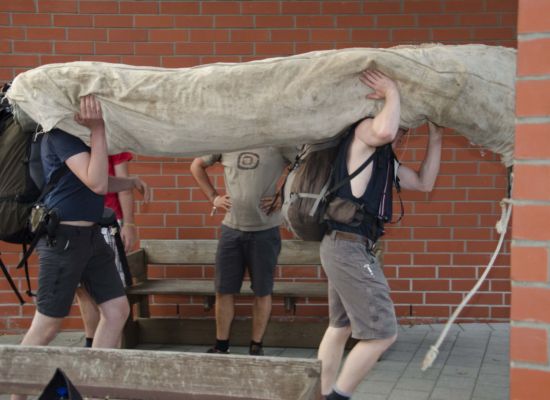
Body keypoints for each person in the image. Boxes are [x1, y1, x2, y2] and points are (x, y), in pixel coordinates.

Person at [11, 95, 148, 400]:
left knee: (115, 310)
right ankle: (15, 394)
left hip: (91, 238)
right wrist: (98, 129)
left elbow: (93, 180)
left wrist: (130, 182)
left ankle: (90, 390)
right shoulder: (59, 134)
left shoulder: (77, 137)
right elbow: (96, 183)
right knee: (47, 326)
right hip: (64, 239)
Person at [318, 70, 444, 400]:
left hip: (346, 247)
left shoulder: (385, 159)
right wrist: (391, 91)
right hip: (347, 247)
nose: (400, 130)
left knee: (340, 326)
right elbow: (385, 129)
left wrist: (436, 137)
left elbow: (424, 183)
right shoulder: (362, 133)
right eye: (400, 120)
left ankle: (318, 393)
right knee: (383, 333)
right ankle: (335, 397)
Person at [190, 146, 296, 356]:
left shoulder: (280, 140)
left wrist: (284, 197)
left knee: (263, 291)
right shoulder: (230, 138)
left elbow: (305, 169)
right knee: (223, 290)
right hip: (232, 230)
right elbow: (196, 166)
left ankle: (256, 346)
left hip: (265, 231)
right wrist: (213, 197)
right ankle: (222, 346)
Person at [75, 151, 139, 348]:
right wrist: (128, 223)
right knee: (97, 293)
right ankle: (96, 346)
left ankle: (97, 346)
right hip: (91, 223)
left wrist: (128, 224)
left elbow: (124, 186)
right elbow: (125, 185)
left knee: (94, 293)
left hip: (94, 223)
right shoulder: (101, 139)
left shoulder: (82, 140)